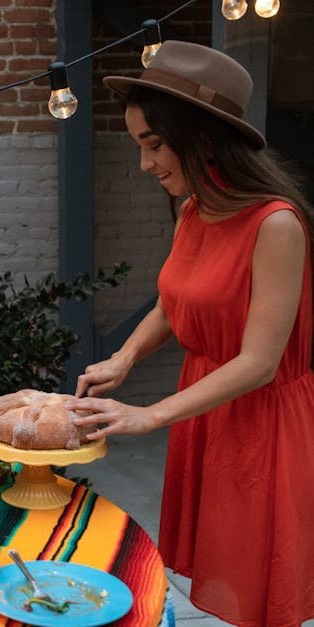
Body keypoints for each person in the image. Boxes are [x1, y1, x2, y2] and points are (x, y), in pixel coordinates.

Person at [64, 41, 314, 626]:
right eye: (139, 146)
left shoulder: (276, 224)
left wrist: (149, 415)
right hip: (206, 409)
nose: (144, 164)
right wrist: (124, 356)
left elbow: (259, 362)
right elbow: (173, 303)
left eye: (153, 144)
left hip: (263, 421)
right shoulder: (194, 210)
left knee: (260, 586)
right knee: (221, 567)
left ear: (202, 137)